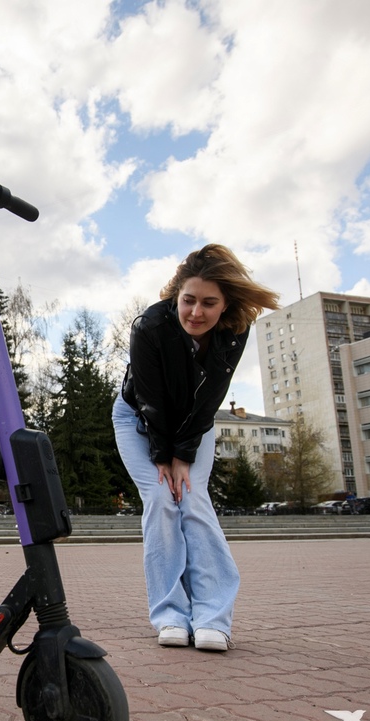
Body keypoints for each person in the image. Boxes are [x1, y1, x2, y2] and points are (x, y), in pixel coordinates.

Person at [112, 245, 280, 652]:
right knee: (160, 499)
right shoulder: (149, 326)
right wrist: (164, 457)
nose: (196, 313)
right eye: (188, 301)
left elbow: (210, 399)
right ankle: (170, 614)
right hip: (137, 420)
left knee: (192, 498)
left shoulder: (236, 329)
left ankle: (212, 617)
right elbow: (151, 401)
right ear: (176, 296)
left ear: (226, 305)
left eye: (209, 303)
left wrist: (183, 455)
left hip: (194, 424)